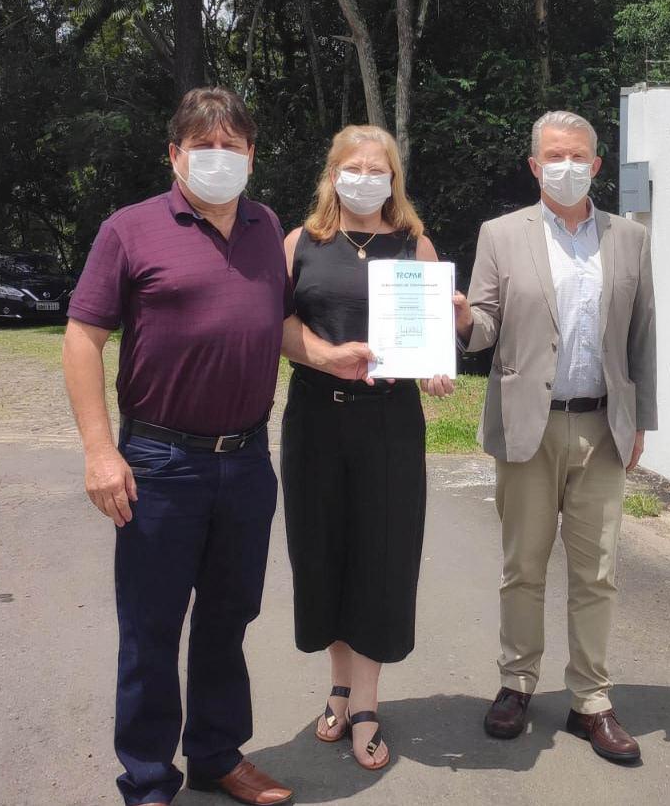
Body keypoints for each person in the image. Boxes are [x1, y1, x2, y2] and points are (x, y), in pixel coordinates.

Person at [62, 87, 296, 806]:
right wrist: (101, 452)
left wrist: (343, 352)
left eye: (232, 146)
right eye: (203, 145)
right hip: (160, 464)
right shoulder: (129, 229)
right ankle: (147, 778)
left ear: (252, 154)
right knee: (152, 627)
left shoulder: (266, 227)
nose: (218, 157)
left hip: (247, 461)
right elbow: (83, 338)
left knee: (229, 619)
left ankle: (217, 755)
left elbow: (282, 324)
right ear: (175, 153)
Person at [454, 110, 658, 765]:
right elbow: (485, 324)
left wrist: (641, 420)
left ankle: (590, 699)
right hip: (527, 425)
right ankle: (516, 682)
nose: (565, 166)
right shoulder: (500, 235)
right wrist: (462, 319)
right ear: (534, 166)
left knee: (597, 570)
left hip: (602, 424)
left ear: (596, 165)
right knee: (524, 564)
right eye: (553, 156)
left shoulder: (629, 238)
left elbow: (643, 336)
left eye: (577, 156)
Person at [279, 124, 455, 773]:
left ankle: (367, 704)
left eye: (376, 169)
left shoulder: (415, 245)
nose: (363, 178)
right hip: (315, 421)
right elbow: (278, 325)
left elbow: (434, 335)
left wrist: (436, 365)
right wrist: (326, 357)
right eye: (352, 167)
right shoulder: (300, 243)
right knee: (321, 553)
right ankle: (339, 685)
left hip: (389, 425)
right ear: (332, 175)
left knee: (381, 559)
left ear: (393, 179)